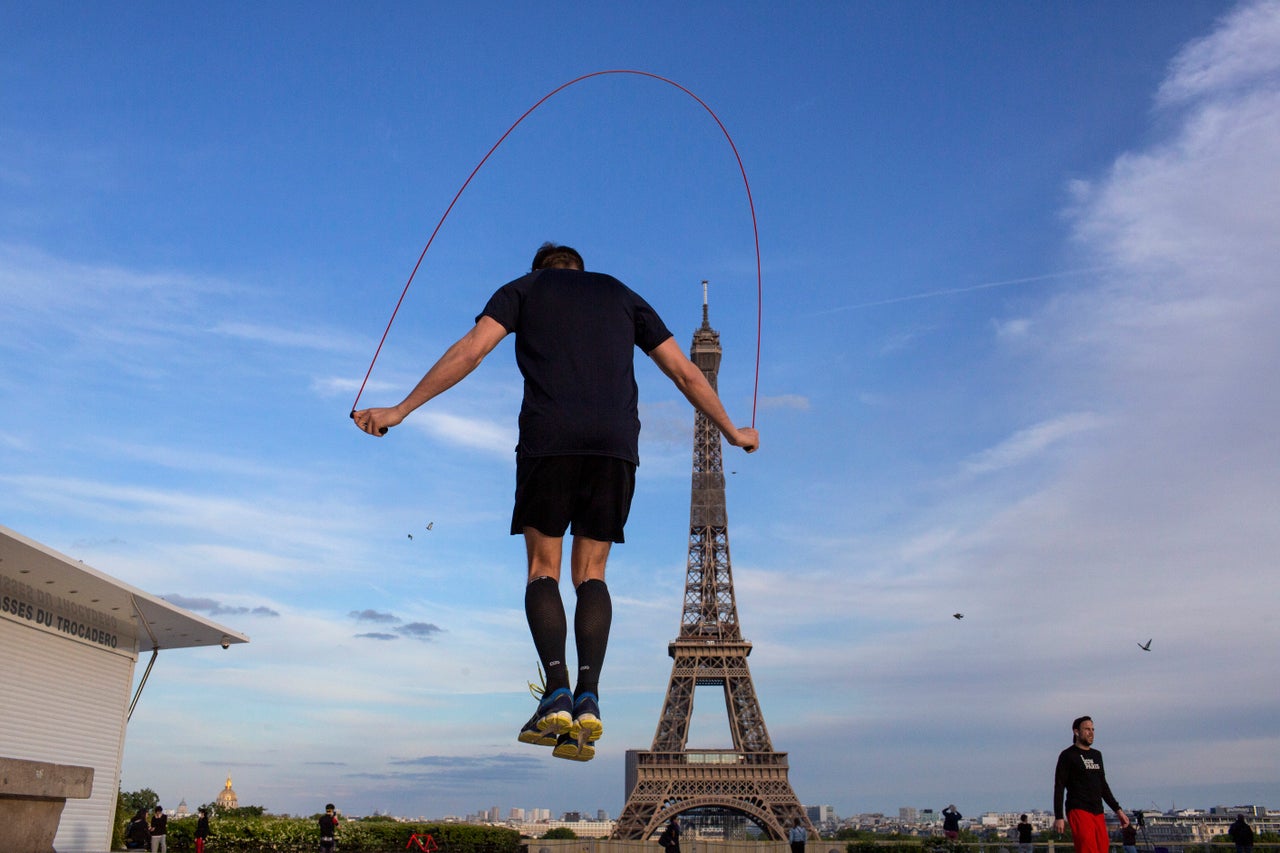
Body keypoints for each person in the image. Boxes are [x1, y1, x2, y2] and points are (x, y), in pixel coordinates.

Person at [353, 243, 759, 762]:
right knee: (591, 573)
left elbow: (471, 351)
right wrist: (731, 430)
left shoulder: (523, 289)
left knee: (544, 567)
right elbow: (684, 372)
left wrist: (401, 408)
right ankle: (589, 695)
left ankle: (558, 690)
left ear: (540, 270)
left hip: (550, 439)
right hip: (616, 445)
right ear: (580, 272)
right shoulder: (620, 294)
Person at [1053, 716, 1130, 853]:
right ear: (1076, 732)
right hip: (1079, 808)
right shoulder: (1067, 755)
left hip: (1098, 810)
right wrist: (1059, 816)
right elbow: (1059, 786)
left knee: (1102, 847)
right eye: (1087, 729)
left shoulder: (1097, 755)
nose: (1091, 732)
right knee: (1088, 848)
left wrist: (1118, 811)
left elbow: (1103, 786)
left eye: (1093, 729)